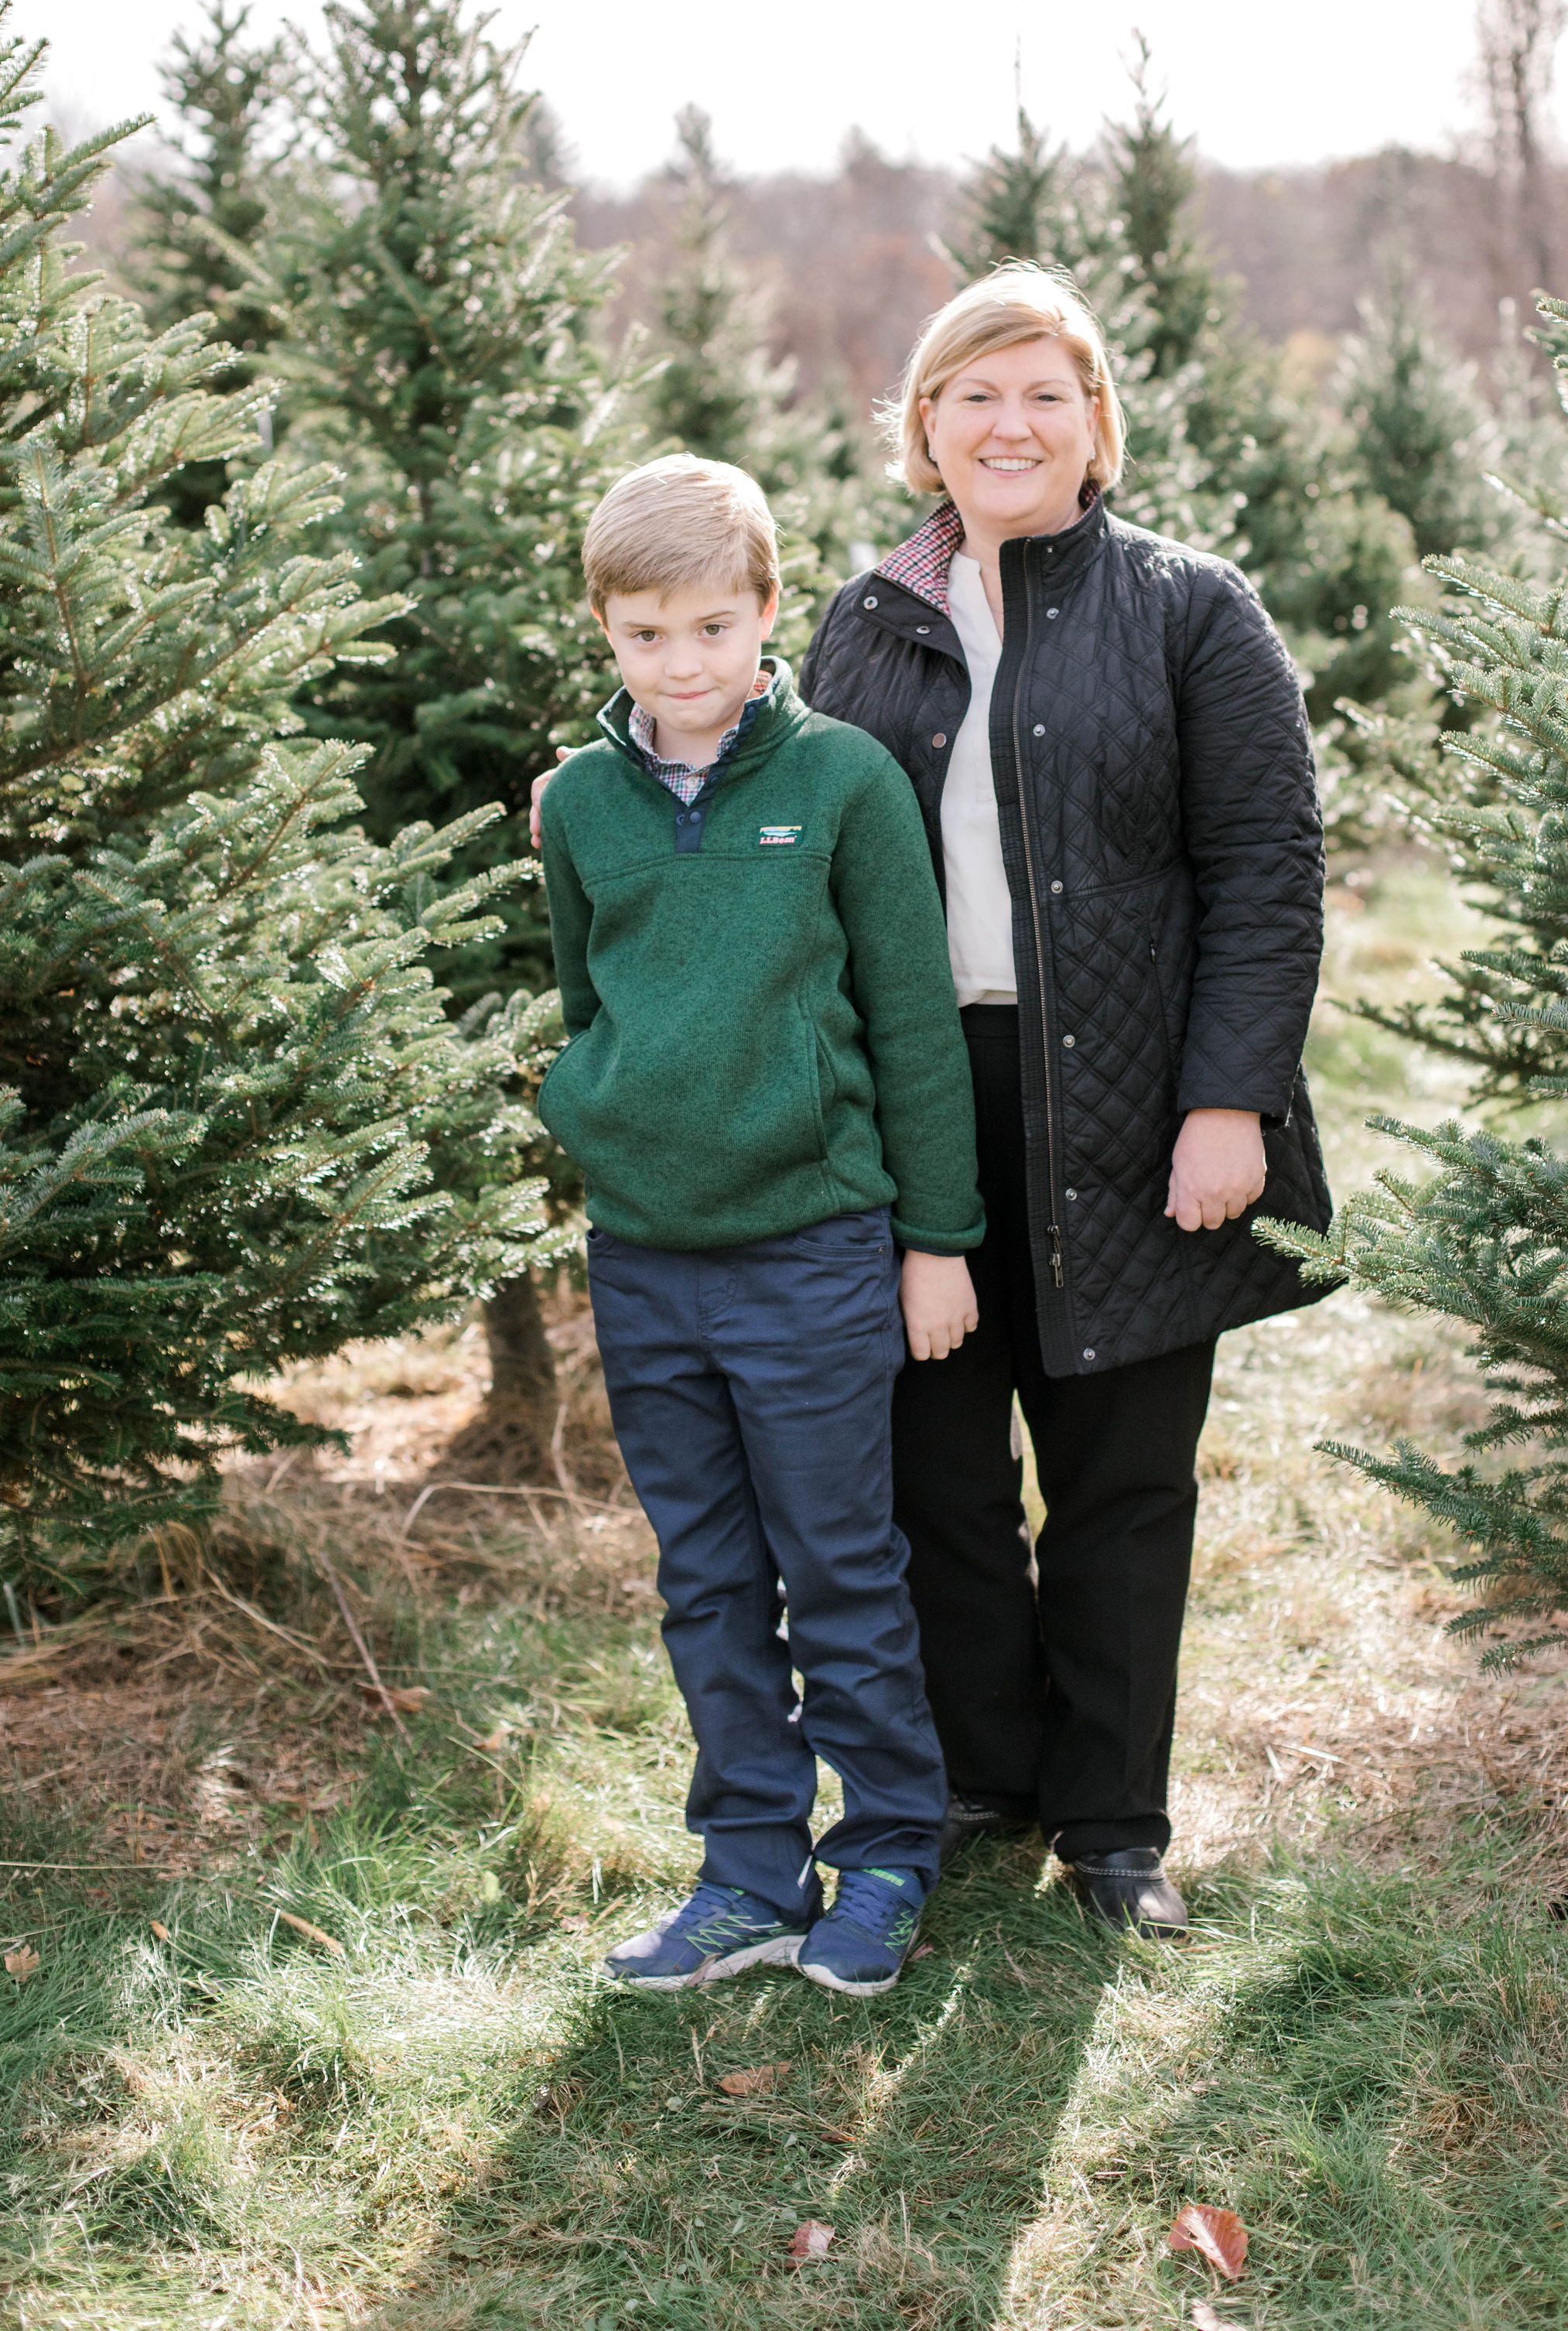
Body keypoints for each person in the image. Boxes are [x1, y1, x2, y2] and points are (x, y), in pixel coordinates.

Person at [798, 265, 1334, 1940]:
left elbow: (1267, 864)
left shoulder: (1187, 607)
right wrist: (591, 783)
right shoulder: (867, 621)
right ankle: (989, 1774)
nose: (1009, 423)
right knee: (933, 1463)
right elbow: (764, 811)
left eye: (1045, 393)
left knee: (1120, 1474)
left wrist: (1229, 1100)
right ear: (926, 430)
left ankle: (1114, 1824)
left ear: (1096, 423)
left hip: (1137, 1096)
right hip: (923, 1106)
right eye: (975, 394)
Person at [535, 454, 984, 1996]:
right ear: (607, 632)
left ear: (768, 613)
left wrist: (938, 1240)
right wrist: (593, 1109)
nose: (686, 666)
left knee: (841, 1564)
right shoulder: (581, 804)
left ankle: (887, 1859)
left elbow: (914, 1028)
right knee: (707, 1579)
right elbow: (588, 998)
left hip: (812, 1250)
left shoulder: (843, 783)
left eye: (714, 630)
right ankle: (746, 1873)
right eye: (649, 637)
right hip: (648, 1255)